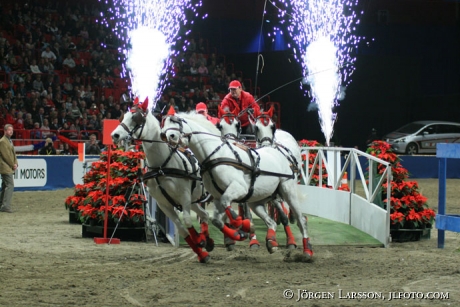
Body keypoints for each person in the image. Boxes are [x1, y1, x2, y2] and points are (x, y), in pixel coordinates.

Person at [0, 124, 18, 213]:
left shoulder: (9, 141)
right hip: (5, 166)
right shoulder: (3, 141)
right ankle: (5, 206)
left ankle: (2, 204)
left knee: (5, 185)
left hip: (8, 166)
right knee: (10, 185)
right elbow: (6, 155)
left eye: (12, 130)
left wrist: (16, 163)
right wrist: (12, 164)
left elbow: (13, 153)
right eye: (9, 130)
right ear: (5, 131)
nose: (11, 131)